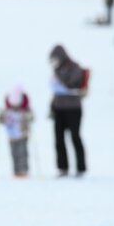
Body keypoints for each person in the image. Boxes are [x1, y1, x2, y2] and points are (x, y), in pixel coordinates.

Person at [49, 45, 87, 177]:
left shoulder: (74, 67)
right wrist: (52, 107)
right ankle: (62, 167)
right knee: (59, 139)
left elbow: (72, 83)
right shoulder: (56, 70)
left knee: (75, 137)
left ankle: (81, 167)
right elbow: (55, 91)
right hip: (59, 108)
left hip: (73, 109)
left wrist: (60, 78)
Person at [0, 85, 34, 178]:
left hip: (22, 135)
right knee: (14, 154)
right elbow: (0, 120)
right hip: (12, 136)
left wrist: (29, 118)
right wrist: (0, 116)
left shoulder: (24, 111)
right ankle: (16, 170)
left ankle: (24, 170)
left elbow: (31, 117)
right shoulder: (7, 111)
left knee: (22, 153)